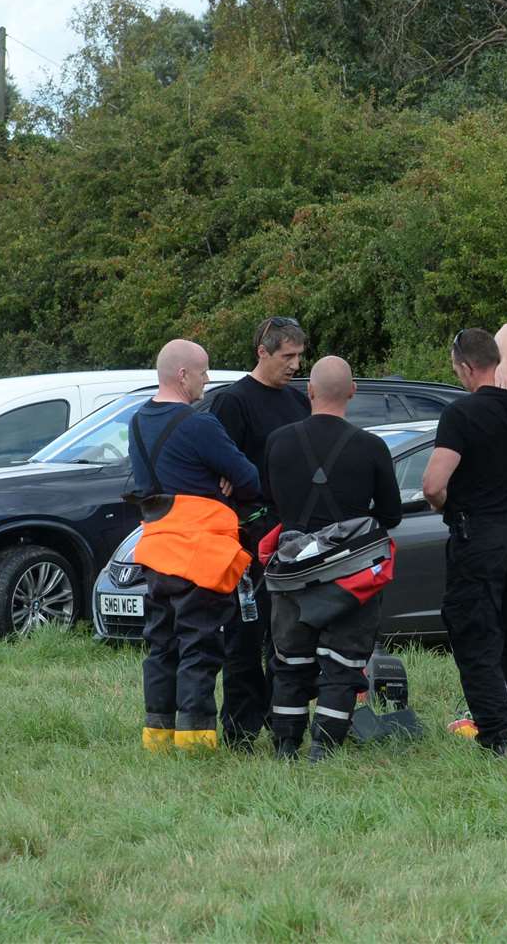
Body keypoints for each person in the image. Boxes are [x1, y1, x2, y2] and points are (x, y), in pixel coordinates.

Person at [422, 324, 507, 755]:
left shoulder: (461, 415)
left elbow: (432, 485)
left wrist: (446, 505)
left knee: (477, 639)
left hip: (475, 534)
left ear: (463, 369)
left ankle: (496, 736)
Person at [262, 357, 402, 760]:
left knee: (289, 659)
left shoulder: (278, 441)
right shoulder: (372, 447)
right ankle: (324, 747)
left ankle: (286, 744)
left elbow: (268, 500)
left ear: (309, 391)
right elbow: (390, 515)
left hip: (292, 571)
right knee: (342, 662)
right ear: (353, 392)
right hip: (351, 576)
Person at [130, 339, 261, 752]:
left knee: (161, 645)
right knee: (199, 646)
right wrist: (221, 479)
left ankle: (157, 737)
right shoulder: (198, 424)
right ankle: (196, 741)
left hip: (156, 548)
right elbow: (249, 479)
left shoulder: (137, 421)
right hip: (197, 552)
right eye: (203, 371)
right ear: (182, 375)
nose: (208, 378)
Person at [208, 315, 310, 748]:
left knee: (288, 634)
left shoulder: (299, 402)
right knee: (245, 635)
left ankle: (280, 720)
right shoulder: (233, 402)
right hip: (249, 534)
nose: (294, 365)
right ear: (262, 352)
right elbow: (221, 471)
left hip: (294, 531)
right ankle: (240, 729)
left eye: (300, 356)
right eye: (287, 356)